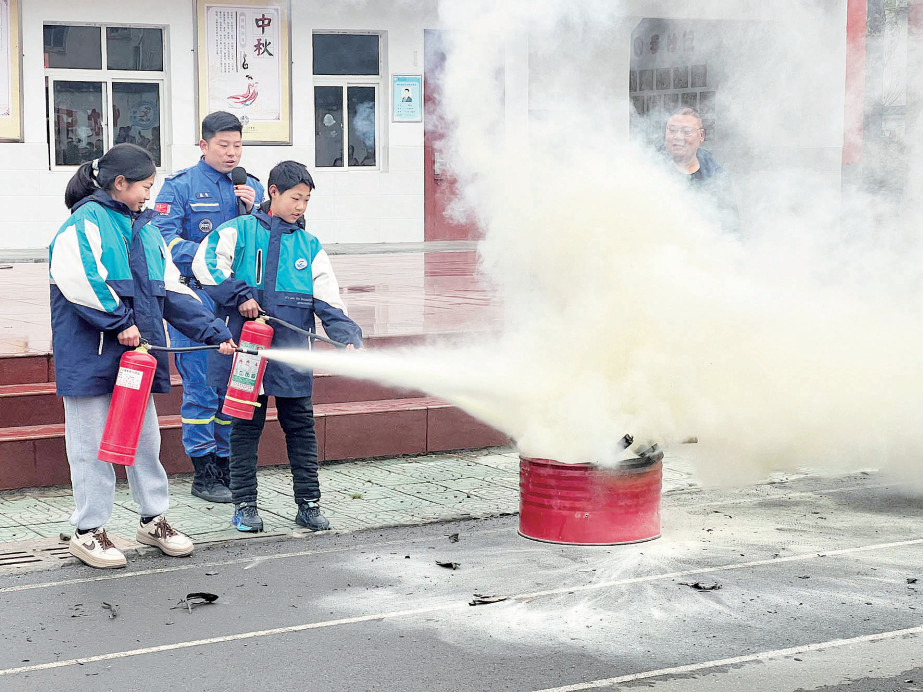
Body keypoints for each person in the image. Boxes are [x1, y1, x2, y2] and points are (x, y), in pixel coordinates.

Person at [48, 144, 237, 569]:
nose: (149, 195)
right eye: (145, 187)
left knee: (145, 443)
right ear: (120, 184)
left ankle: (153, 520)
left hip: (137, 359)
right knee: (92, 447)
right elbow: (79, 280)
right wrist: (119, 321)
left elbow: (172, 291)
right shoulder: (85, 223)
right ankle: (88, 531)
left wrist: (213, 331)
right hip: (92, 357)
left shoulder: (149, 231)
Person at [191, 161, 363, 533]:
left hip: (291, 352)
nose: (300, 206)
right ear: (273, 192)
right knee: (245, 428)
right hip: (246, 353)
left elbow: (328, 298)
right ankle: (246, 505)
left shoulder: (310, 246)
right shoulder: (237, 231)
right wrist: (239, 297)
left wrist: (346, 334)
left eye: (306, 200)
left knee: (300, 425)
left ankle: (308, 503)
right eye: (294, 198)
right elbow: (205, 264)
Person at [152, 111, 264, 503]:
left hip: (240, 302)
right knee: (202, 388)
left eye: (237, 145)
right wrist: (210, 254)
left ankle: (226, 461)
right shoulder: (179, 187)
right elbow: (162, 241)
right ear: (204, 145)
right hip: (196, 299)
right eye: (223, 145)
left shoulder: (250, 186)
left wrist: (256, 212)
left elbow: (274, 238)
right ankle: (203, 471)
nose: (232, 153)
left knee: (234, 386)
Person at [661, 107, 739, 231]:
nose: (678, 137)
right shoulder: (649, 167)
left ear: (701, 136)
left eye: (686, 132)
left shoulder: (715, 174)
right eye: (672, 130)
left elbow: (731, 222)